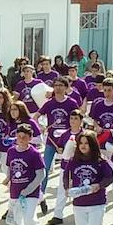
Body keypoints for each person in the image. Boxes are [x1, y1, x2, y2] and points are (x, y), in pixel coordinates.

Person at [63, 131, 113, 225]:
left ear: (92, 144)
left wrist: (99, 185)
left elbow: (110, 177)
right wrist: (67, 188)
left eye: (86, 143)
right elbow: (66, 175)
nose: (83, 146)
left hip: (97, 202)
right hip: (79, 203)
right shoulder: (74, 160)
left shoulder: (100, 161)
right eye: (81, 143)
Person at [35, 77, 81, 214]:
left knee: (70, 168)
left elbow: (78, 118)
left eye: (61, 85)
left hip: (67, 140)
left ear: (66, 87)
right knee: (45, 168)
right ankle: (41, 196)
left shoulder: (72, 102)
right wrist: (41, 127)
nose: (58, 88)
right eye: (56, 85)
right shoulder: (49, 103)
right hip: (51, 140)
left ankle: (74, 196)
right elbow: (36, 116)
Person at [6, 124, 45, 225]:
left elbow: (41, 174)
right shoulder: (11, 151)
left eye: (24, 137)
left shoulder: (34, 154)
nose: (21, 139)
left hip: (30, 193)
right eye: (19, 136)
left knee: (29, 219)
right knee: (18, 219)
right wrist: (8, 179)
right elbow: (8, 167)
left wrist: (28, 189)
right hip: (15, 192)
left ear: (30, 138)